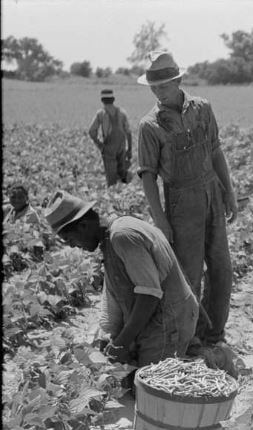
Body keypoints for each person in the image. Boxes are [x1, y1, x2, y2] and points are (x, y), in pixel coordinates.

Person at [136, 51, 238, 347]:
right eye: (154, 87)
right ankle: (189, 338)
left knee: (221, 269)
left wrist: (228, 192)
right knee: (189, 275)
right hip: (180, 202)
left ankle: (215, 333)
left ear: (179, 81)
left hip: (211, 194)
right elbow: (147, 176)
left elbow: (216, 150)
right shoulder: (150, 125)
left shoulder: (202, 108)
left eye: (164, 86)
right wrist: (160, 220)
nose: (158, 92)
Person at [44, 190, 199, 367]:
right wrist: (113, 335)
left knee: (147, 387)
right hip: (155, 319)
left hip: (169, 322)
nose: (72, 246)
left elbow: (150, 295)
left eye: (69, 239)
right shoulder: (110, 237)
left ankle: (213, 359)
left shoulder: (122, 236)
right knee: (123, 372)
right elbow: (115, 295)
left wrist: (123, 341)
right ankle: (189, 351)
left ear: (83, 226)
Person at [88, 88, 133, 186]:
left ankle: (113, 195)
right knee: (123, 176)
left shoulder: (101, 114)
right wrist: (129, 150)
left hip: (108, 149)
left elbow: (91, 131)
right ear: (113, 99)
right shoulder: (122, 113)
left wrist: (100, 145)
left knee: (111, 179)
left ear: (102, 101)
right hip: (122, 148)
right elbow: (128, 133)